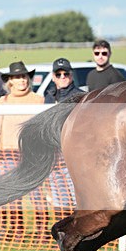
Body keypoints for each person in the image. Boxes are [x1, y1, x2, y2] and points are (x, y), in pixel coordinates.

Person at [0, 62, 46, 240]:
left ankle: (42, 230)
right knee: (12, 195)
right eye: (17, 77)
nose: (21, 80)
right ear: (10, 81)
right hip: (7, 154)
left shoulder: (38, 100)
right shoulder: (3, 101)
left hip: (32, 155)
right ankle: (16, 231)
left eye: (24, 76)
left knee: (37, 194)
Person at [44, 58, 84, 212]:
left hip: (74, 154)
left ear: (71, 75)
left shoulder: (81, 97)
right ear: (53, 77)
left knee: (78, 194)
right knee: (59, 196)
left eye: (65, 73)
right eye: (58, 74)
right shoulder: (49, 97)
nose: (62, 77)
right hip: (54, 152)